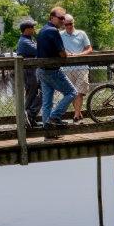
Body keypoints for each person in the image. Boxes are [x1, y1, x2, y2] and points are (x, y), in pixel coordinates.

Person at [36, 7, 77, 139]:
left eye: (64, 18)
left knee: (47, 102)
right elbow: (62, 54)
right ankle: (54, 117)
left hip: (42, 70)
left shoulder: (42, 30)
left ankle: (48, 133)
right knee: (72, 92)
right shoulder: (53, 31)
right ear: (52, 18)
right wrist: (67, 54)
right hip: (52, 70)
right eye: (60, 18)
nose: (63, 21)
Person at [60, 14, 93, 123]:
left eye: (71, 24)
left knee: (80, 92)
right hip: (67, 68)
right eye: (66, 24)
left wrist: (80, 55)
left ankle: (76, 115)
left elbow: (89, 48)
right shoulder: (60, 35)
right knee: (73, 92)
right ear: (64, 25)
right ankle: (78, 112)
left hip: (81, 67)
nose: (69, 26)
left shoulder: (81, 33)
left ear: (74, 22)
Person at [16, 20, 42, 130]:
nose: (34, 29)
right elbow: (39, 51)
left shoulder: (28, 39)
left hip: (33, 71)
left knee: (34, 94)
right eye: (32, 27)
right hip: (29, 72)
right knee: (33, 94)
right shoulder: (24, 42)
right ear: (27, 29)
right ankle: (28, 116)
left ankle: (29, 118)